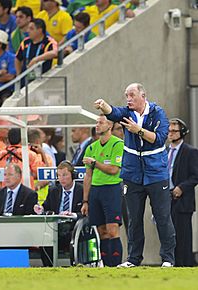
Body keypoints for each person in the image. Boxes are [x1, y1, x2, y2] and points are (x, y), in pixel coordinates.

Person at [94, 83, 176, 267]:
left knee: (162, 217)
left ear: (143, 95)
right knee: (133, 219)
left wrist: (137, 130)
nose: (128, 99)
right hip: (132, 175)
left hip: (156, 174)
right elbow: (113, 113)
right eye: (126, 96)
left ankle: (168, 259)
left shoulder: (158, 113)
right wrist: (103, 105)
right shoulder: (126, 113)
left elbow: (159, 139)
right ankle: (133, 259)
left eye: (132, 95)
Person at [81, 114, 124, 267]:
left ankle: (117, 265)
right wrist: (85, 200)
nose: (97, 125)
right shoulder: (91, 147)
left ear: (110, 126)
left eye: (101, 122)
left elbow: (113, 169)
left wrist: (95, 163)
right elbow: (88, 176)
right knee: (101, 231)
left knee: (112, 230)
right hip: (96, 191)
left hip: (112, 190)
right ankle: (106, 266)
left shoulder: (117, 144)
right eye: (96, 122)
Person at [34, 160, 83, 266]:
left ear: (73, 175)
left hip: (74, 227)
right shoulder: (54, 191)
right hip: (55, 227)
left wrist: (73, 215)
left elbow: (87, 213)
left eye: (65, 175)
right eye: (59, 176)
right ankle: (49, 267)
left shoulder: (82, 190)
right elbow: (47, 208)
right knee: (44, 238)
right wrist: (41, 210)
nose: (62, 179)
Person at [168, 118, 198, 267]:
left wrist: (181, 187)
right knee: (168, 235)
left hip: (182, 200)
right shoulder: (164, 151)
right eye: (169, 131)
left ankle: (184, 265)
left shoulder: (190, 152)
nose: (171, 133)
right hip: (166, 199)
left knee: (182, 236)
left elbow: (195, 176)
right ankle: (170, 263)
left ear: (182, 132)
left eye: (174, 131)